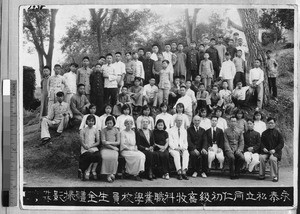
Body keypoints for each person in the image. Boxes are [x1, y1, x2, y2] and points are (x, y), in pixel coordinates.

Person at [259, 117, 284, 182]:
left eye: (272, 123)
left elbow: (281, 144)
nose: (270, 124)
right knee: (261, 157)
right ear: (267, 124)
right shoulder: (264, 133)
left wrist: (274, 150)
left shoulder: (278, 133)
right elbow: (261, 142)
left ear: (274, 124)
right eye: (269, 123)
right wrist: (263, 148)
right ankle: (262, 174)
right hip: (266, 152)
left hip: (275, 152)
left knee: (272, 159)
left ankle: (274, 176)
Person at [78, 115, 101, 180]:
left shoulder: (96, 130)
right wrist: (87, 148)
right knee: (89, 155)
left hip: (93, 147)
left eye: (92, 121)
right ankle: (87, 171)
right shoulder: (83, 130)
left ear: (94, 122)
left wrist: (91, 147)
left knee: (98, 155)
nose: (91, 122)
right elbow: (82, 142)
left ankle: (93, 170)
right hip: (85, 148)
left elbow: (98, 142)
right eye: (89, 121)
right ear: (86, 121)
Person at [168, 115, 189, 180]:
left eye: (181, 121)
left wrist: (184, 148)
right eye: (178, 120)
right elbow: (170, 142)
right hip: (173, 148)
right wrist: (177, 148)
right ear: (175, 121)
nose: (179, 122)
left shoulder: (184, 130)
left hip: (182, 148)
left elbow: (186, 142)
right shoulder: (170, 130)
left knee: (186, 153)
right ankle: (179, 172)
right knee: (176, 154)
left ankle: (184, 171)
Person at [100, 115, 120, 183]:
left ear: (113, 123)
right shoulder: (103, 130)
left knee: (114, 157)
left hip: (114, 149)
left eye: (110, 123)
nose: (109, 124)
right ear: (106, 123)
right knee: (105, 157)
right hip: (105, 148)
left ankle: (111, 173)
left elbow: (118, 142)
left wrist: (109, 142)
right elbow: (103, 142)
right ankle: (108, 174)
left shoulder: (116, 130)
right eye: (107, 123)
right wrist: (112, 147)